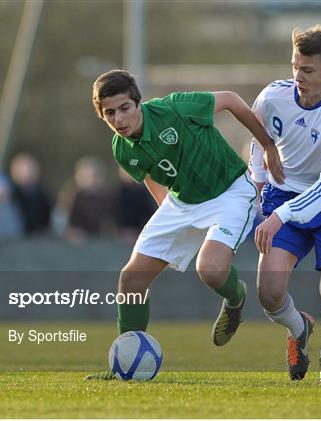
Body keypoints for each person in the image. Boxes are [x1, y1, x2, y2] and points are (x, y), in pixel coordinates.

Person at [85, 69, 283, 380]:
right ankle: (123, 363)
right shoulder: (121, 148)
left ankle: (236, 297)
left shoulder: (176, 107)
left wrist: (268, 146)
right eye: (109, 113)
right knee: (131, 280)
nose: (119, 119)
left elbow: (231, 100)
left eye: (124, 108)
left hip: (230, 192)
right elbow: (151, 176)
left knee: (211, 270)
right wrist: (168, 214)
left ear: (138, 103)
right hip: (182, 203)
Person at [249, 25, 321, 382]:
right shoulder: (272, 96)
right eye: (295, 66)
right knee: (269, 292)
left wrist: (279, 216)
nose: (298, 76)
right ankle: (299, 329)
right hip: (285, 196)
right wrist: (259, 182)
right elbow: (256, 131)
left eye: (307, 70)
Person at [9, 153, 51, 235]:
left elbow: (47, 214)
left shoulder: (41, 193)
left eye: (29, 170)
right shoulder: (11, 192)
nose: (26, 174)